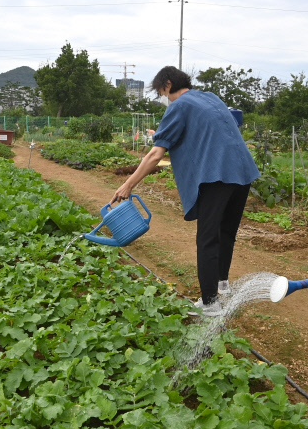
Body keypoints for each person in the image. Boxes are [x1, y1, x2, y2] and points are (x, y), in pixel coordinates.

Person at [111, 66, 260, 316]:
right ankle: (222, 283)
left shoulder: (179, 105)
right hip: (243, 170)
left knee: (208, 237)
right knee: (226, 231)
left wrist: (128, 184)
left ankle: (210, 303)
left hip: (218, 174)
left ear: (168, 85)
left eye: (162, 93)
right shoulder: (210, 97)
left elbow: (156, 153)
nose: (165, 99)